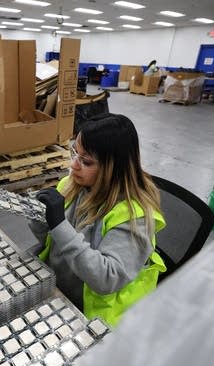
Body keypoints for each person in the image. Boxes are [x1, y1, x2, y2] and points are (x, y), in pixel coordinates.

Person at [31, 113, 166, 327]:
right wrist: (39, 216)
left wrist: (59, 225)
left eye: (86, 161)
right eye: (75, 153)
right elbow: (53, 242)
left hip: (91, 314)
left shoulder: (133, 216)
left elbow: (107, 278)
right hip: (58, 288)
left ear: (113, 169)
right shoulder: (72, 185)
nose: (74, 165)